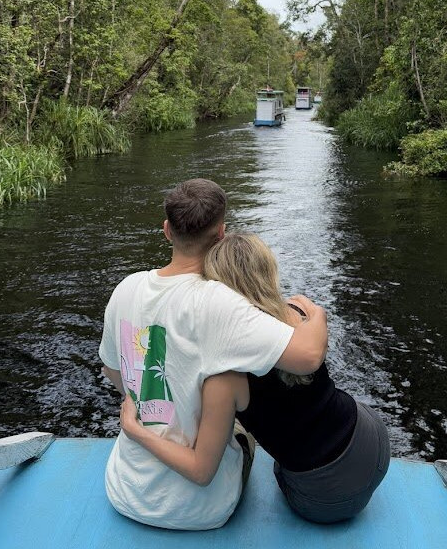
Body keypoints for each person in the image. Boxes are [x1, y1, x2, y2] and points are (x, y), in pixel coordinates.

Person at [99, 179, 328, 531]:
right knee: (239, 418)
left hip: (124, 490)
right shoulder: (221, 303)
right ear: (221, 233)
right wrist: (316, 314)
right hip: (199, 510)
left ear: (166, 231)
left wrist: (149, 412)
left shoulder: (125, 288)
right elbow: (309, 356)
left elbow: (112, 369)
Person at [120, 232, 390, 524]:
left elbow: (201, 470)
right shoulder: (297, 313)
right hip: (373, 443)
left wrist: (135, 430)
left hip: (324, 497)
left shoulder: (225, 372)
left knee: (268, 461)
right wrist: (319, 315)